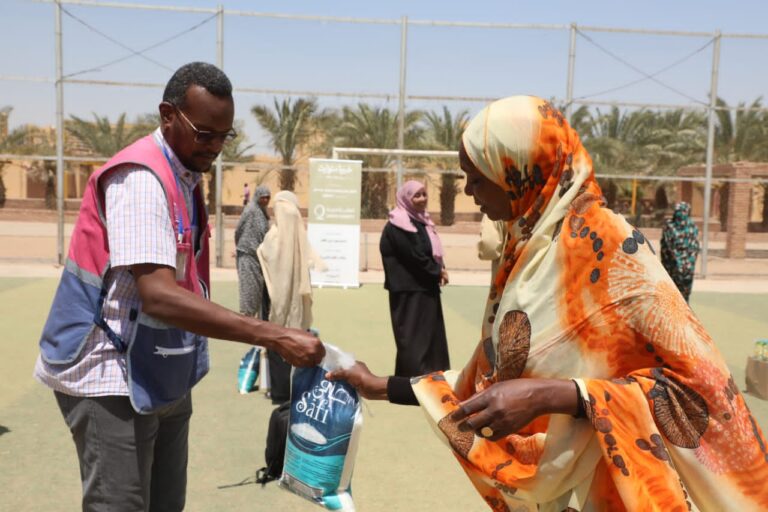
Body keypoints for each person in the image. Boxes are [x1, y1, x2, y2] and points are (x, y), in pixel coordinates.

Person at [329, 96, 768, 511]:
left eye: (477, 178)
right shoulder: (526, 253)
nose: (469, 192)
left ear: (520, 172)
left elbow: (700, 390)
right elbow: (483, 386)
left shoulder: (611, 247)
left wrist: (555, 396)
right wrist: (380, 386)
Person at [33, 62, 324, 512]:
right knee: (120, 505)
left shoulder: (184, 176)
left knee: (167, 504)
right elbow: (158, 295)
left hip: (160, 365)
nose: (215, 147)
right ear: (167, 115)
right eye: (204, 134)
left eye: (224, 136)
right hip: (109, 372)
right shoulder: (141, 179)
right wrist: (273, 335)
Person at [258, 190, 324, 403]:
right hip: (288, 300)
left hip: (277, 300)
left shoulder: (273, 236)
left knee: (278, 341)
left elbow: (264, 257)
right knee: (292, 340)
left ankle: (282, 393)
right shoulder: (297, 237)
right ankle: (291, 390)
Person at [380, 180, 450, 377]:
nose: (422, 199)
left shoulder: (421, 222)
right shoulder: (398, 224)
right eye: (416, 195)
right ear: (405, 198)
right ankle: (416, 380)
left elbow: (430, 250)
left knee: (430, 337)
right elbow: (414, 256)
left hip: (425, 288)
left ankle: (428, 378)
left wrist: (440, 268)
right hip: (408, 291)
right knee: (412, 340)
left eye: (424, 194)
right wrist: (437, 271)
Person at [235, 185, 271, 319]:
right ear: (257, 197)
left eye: (267, 198)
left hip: (258, 258)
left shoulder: (262, 212)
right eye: (263, 197)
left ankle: (253, 319)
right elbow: (239, 229)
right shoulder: (250, 210)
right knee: (249, 290)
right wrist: (241, 246)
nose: (265, 200)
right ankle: (246, 319)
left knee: (257, 289)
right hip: (247, 255)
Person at [660, 201, 700, 302]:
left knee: (671, 298)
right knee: (684, 298)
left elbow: (665, 248)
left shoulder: (669, 227)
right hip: (687, 270)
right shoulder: (693, 227)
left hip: (673, 269)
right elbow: (695, 249)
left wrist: (665, 266)